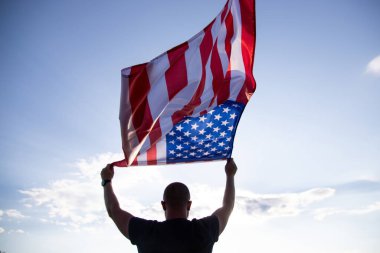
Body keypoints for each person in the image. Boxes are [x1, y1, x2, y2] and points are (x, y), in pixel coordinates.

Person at [101, 158, 238, 253]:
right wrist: (230, 175)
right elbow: (228, 206)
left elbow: (113, 210)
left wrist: (106, 181)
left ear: (163, 205)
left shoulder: (147, 232)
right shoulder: (204, 230)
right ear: (189, 204)